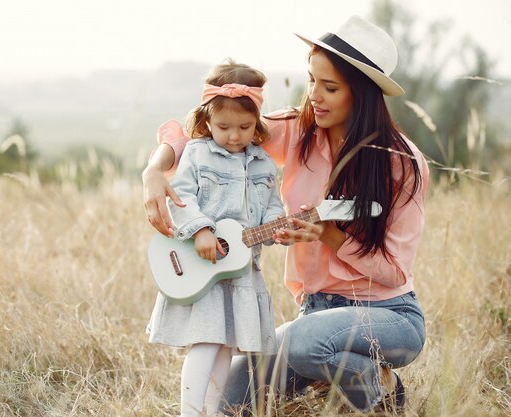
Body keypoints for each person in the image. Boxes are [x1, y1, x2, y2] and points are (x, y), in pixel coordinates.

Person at [143, 15, 428, 414]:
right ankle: (334, 376)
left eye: (329, 87)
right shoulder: (298, 131)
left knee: (301, 342)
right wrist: (154, 170)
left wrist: (329, 235)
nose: (315, 95)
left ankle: (382, 391)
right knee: (229, 400)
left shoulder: (401, 163)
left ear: (361, 93)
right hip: (313, 313)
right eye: (311, 80)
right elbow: (204, 132)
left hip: (388, 315)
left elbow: (395, 272)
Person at [146, 59, 287, 417]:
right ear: (206, 119)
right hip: (204, 268)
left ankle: (212, 411)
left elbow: (271, 208)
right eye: (224, 126)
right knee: (206, 343)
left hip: (242, 271)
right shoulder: (197, 153)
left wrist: (280, 227)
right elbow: (181, 196)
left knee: (225, 346)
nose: (235, 135)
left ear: (257, 122)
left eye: (245, 126)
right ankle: (189, 413)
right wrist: (202, 229)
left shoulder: (264, 165)